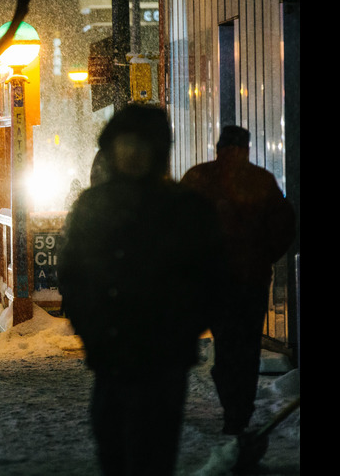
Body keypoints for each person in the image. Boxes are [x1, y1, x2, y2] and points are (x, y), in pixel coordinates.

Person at [58, 104, 226, 476]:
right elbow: (73, 273)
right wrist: (93, 328)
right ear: (112, 149)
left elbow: (211, 277)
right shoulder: (93, 207)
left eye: (143, 145)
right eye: (125, 144)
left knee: (153, 454)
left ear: (159, 151)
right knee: (112, 447)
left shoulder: (184, 209)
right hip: (111, 353)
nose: (133, 153)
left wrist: (180, 327)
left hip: (163, 357)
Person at [180, 125, 296, 435]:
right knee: (247, 349)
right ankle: (239, 412)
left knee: (227, 345)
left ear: (218, 147)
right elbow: (285, 226)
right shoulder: (261, 181)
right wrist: (263, 256)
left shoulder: (198, 178)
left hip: (214, 282)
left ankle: (232, 402)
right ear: (247, 148)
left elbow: (178, 228)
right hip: (251, 282)